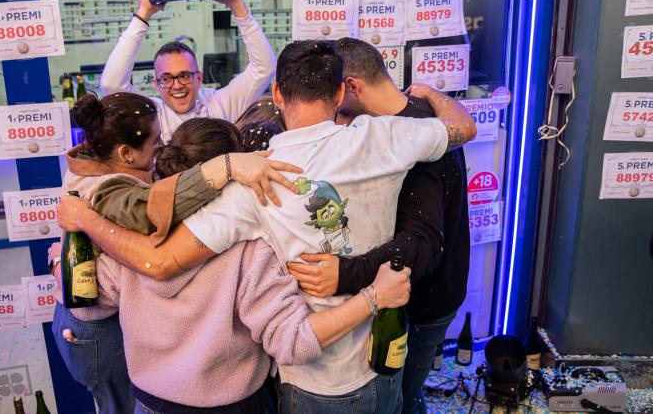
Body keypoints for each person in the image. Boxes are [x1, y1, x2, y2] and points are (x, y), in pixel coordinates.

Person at [56, 40, 476, 413]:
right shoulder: (385, 136)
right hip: (378, 363)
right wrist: (431, 95)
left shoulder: (254, 182)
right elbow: (464, 127)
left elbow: (160, 263)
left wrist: (87, 225)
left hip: (308, 380)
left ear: (277, 94)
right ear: (339, 93)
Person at [52, 92, 299, 413]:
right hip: (226, 398)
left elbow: (107, 287)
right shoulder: (118, 199)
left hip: (153, 396)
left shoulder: (121, 203)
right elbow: (289, 338)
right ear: (126, 153)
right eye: (156, 140)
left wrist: (61, 262)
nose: (162, 148)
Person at [286, 38, 471, 414]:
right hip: (416, 294)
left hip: (421, 303)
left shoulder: (411, 136)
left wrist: (345, 274)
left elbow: (422, 244)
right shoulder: (417, 119)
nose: (333, 111)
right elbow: (462, 125)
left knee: (403, 397)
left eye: (332, 94)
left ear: (350, 87)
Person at [100, 0, 276, 141]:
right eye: (167, 78)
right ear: (156, 84)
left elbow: (264, 68)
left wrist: (238, 7)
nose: (177, 86)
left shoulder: (220, 104)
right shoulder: (151, 115)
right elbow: (111, 84)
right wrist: (144, 13)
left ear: (199, 77)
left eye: (185, 75)